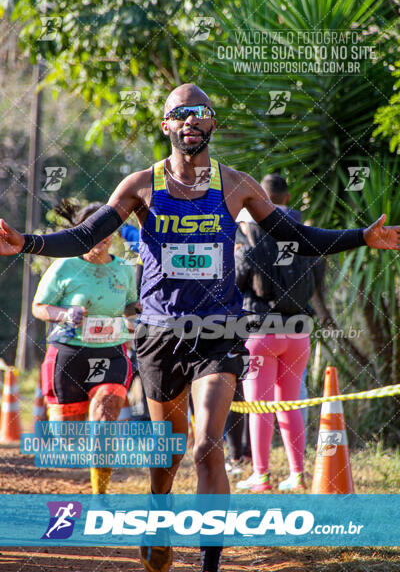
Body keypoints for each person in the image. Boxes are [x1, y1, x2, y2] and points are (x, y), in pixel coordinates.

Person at [1, 83, 400, 572]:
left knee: (207, 444)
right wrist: (26, 243)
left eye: (200, 111)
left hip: (217, 331)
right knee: (166, 459)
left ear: (212, 123)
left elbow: (293, 234)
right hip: (158, 333)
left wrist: (363, 236)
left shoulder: (236, 185)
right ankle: (159, 516)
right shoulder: (139, 186)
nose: (190, 119)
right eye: (179, 113)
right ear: (166, 125)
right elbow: (87, 233)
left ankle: (209, 565)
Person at [32, 200, 137, 495]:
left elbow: (130, 306)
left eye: (108, 230)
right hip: (69, 352)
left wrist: (140, 310)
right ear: (81, 232)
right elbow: (39, 307)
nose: (103, 237)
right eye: (95, 231)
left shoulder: (124, 269)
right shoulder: (65, 265)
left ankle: (100, 497)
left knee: (104, 422)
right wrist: (65, 314)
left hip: (111, 350)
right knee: (67, 437)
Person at [234, 174, 322, 492]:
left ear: (261, 198)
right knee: (290, 402)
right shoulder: (305, 231)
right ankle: (297, 474)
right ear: (287, 198)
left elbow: (238, 277)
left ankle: (261, 475)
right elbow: (317, 280)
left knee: (260, 405)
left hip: (260, 331)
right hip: (299, 333)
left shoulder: (249, 230)